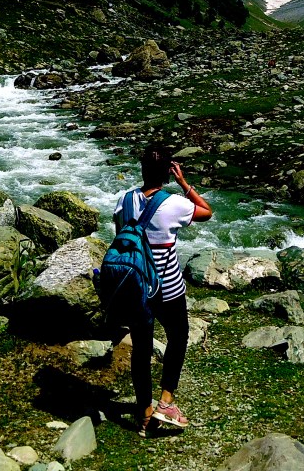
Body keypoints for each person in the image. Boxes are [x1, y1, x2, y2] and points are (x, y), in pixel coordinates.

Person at [113, 144, 213, 437]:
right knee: (178, 336)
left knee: (141, 349)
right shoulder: (176, 204)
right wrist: (184, 183)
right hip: (167, 287)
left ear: (142, 170)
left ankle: (144, 413)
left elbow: (121, 233)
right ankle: (166, 401)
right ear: (168, 172)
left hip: (136, 286)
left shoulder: (125, 200)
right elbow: (206, 212)